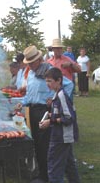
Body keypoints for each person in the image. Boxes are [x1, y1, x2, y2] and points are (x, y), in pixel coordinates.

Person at [19, 46, 74, 183]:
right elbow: (31, 94)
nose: (30, 65)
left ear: (38, 59)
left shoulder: (49, 71)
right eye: (28, 63)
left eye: (32, 62)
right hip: (32, 110)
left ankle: (49, 176)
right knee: (37, 143)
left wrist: (56, 98)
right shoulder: (31, 73)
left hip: (44, 111)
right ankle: (42, 174)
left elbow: (68, 85)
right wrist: (23, 102)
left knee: (45, 145)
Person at [39, 67, 80, 183]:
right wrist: (50, 114)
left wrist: (50, 121)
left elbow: (69, 117)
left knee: (54, 167)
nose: (47, 84)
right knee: (69, 166)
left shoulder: (62, 96)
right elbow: (60, 113)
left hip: (61, 138)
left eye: (50, 81)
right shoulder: (56, 95)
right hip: (62, 137)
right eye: (46, 81)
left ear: (59, 80)